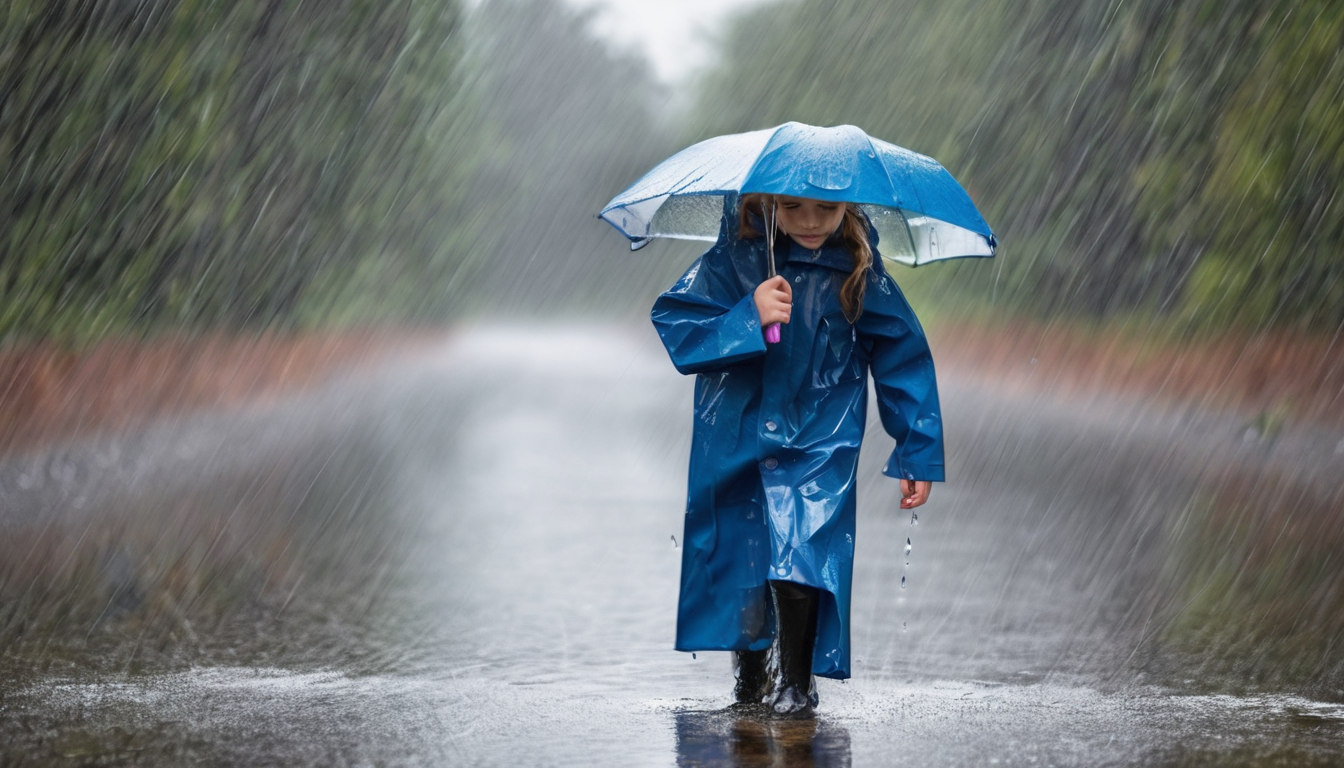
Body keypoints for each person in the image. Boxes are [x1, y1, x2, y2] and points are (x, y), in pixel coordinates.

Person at [651, 192, 943, 715]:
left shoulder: (858, 272)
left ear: (850, 211)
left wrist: (916, 448)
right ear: (766, 206)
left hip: (820, 435)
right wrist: (748, 316)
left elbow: (903, 354)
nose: (810, 223)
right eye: (793, 209)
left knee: (803, 545)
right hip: (739, 429)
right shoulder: (733, 262)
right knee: (745, 547)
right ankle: (751, 679)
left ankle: (797, 682)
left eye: (827, 211)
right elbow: (676, 326)